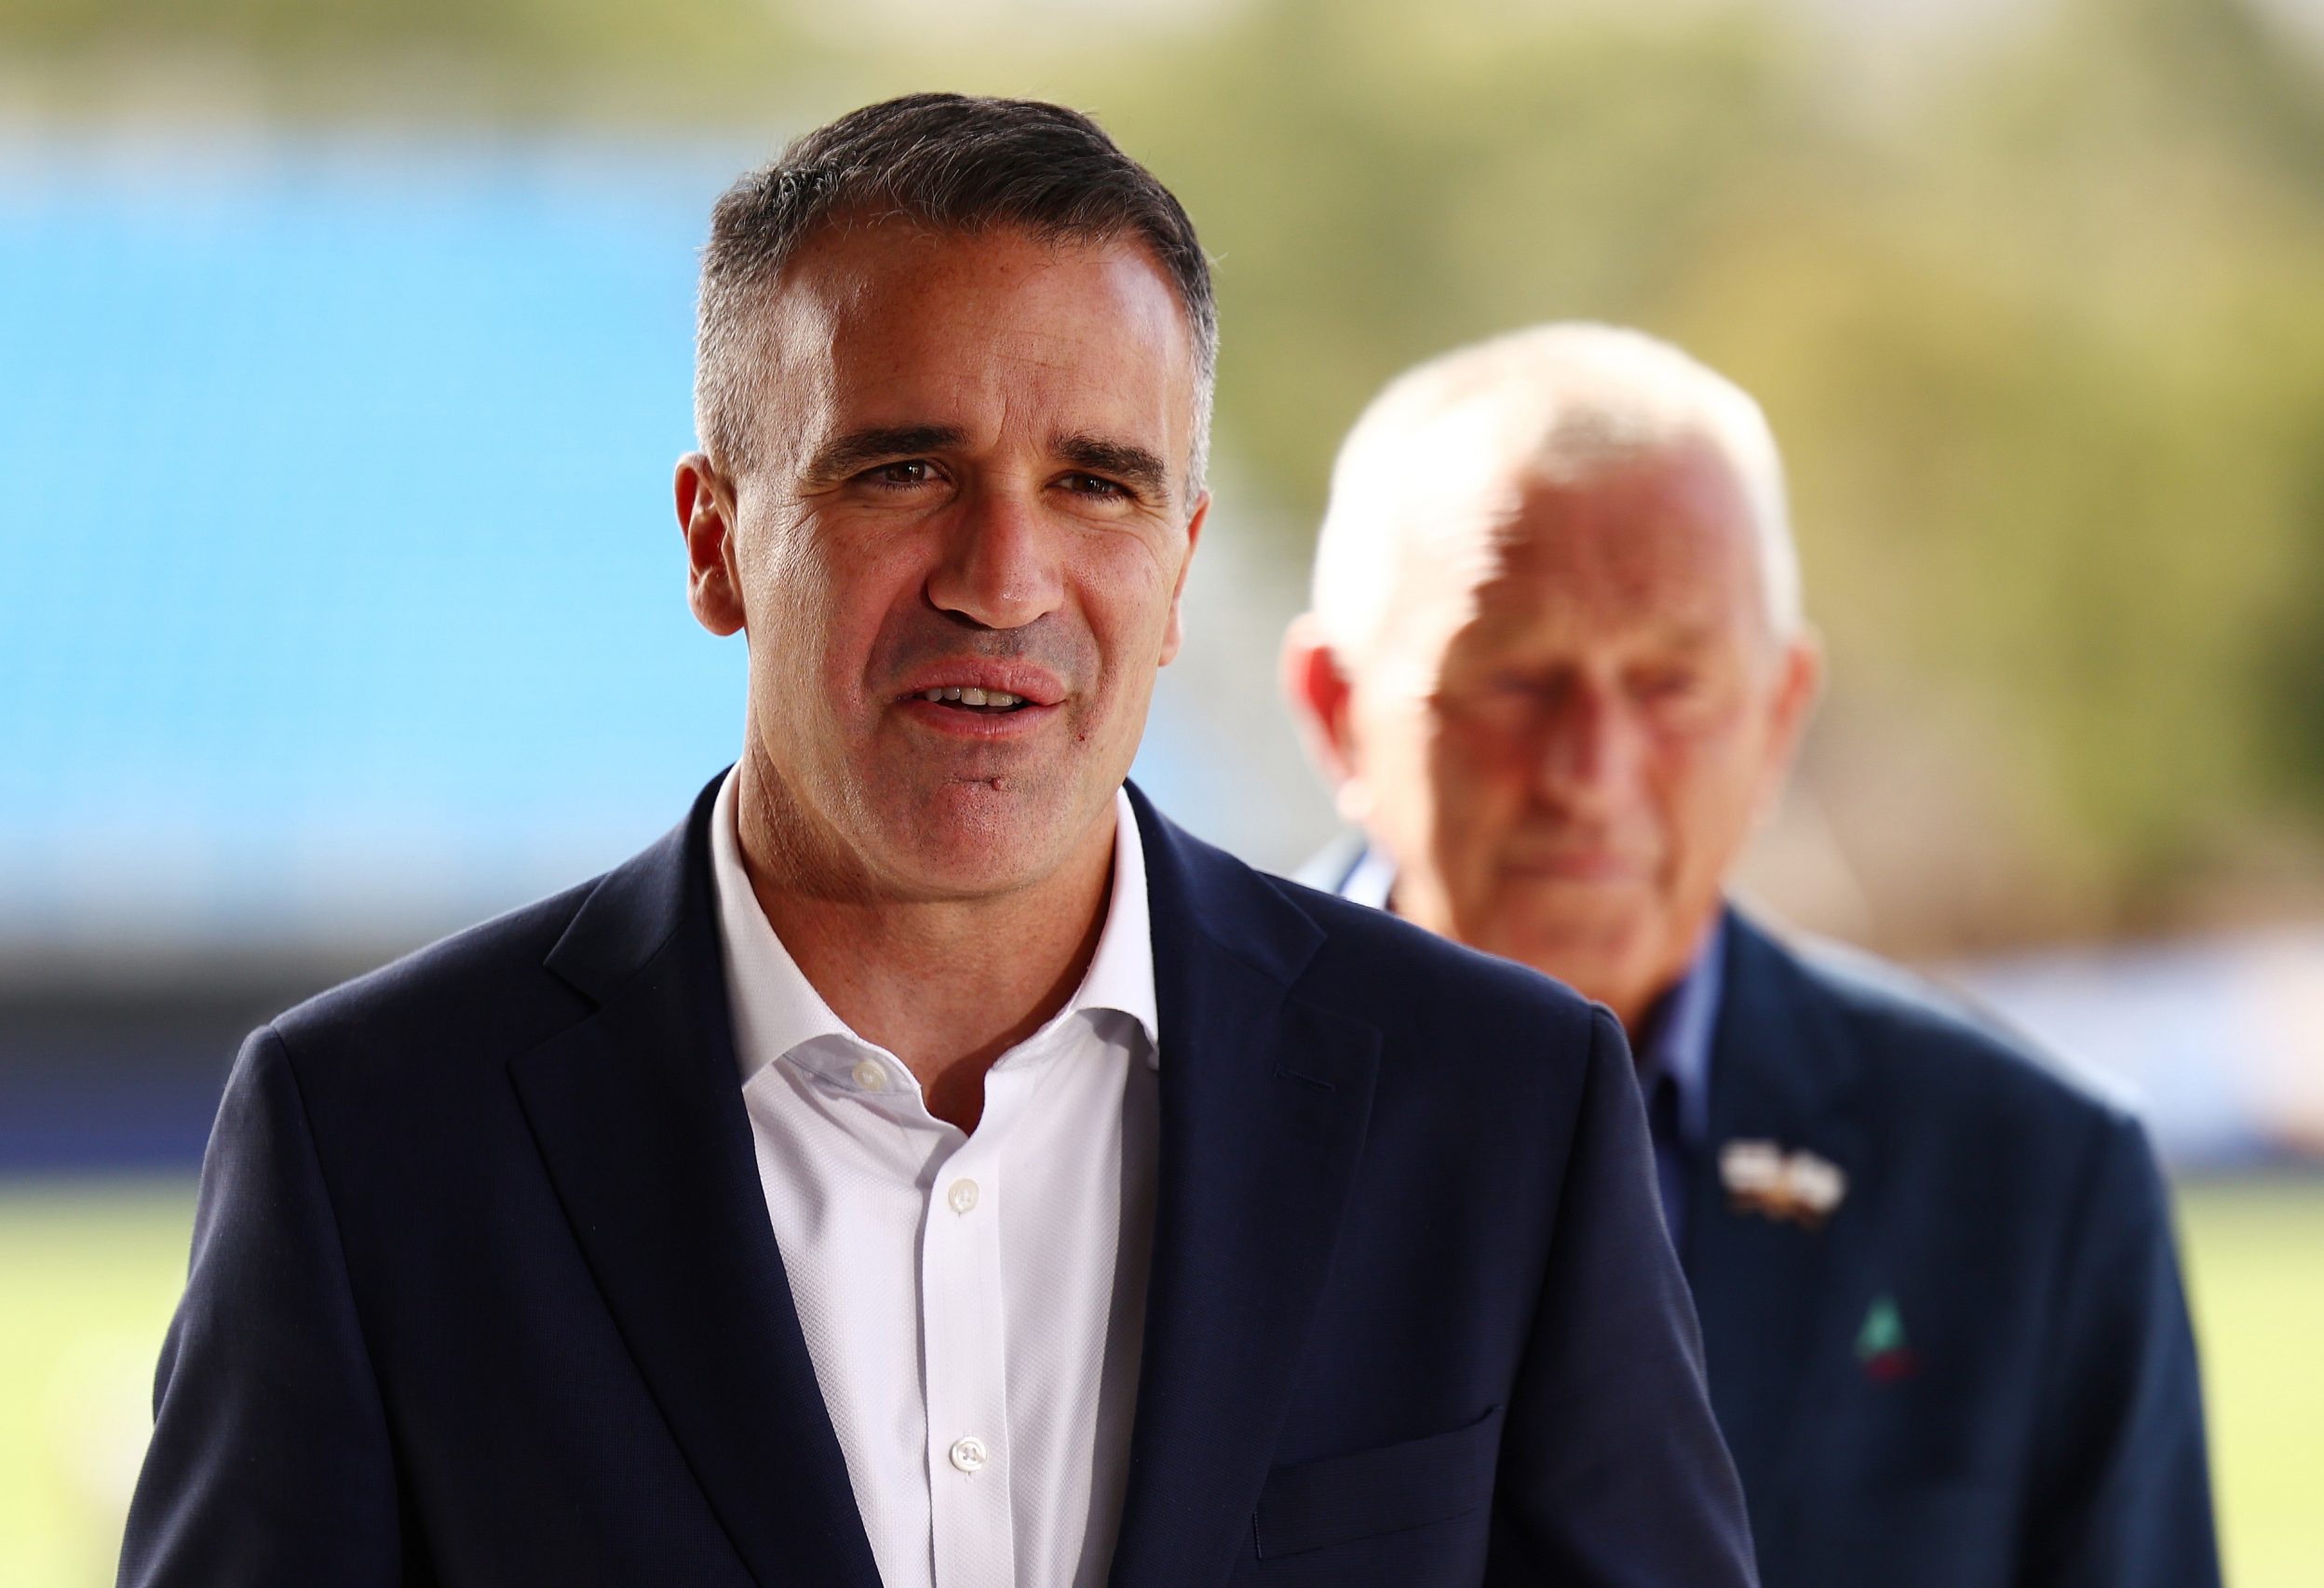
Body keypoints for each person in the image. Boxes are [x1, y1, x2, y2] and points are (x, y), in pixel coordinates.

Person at [117, 101, 1756, 1588]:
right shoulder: (374, 1142)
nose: (1006, 575)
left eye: (1098, 484)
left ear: (1183, 566)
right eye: (906, 469)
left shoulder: (1502, 1113)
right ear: (716, 542)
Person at [1282, 322, 2223, 1588]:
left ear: (1779, 714)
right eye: (1518, 678)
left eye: (1671, 683)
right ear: (1337, 708)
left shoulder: (2030, 1182)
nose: (1593, 773)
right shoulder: (1125, 1103)